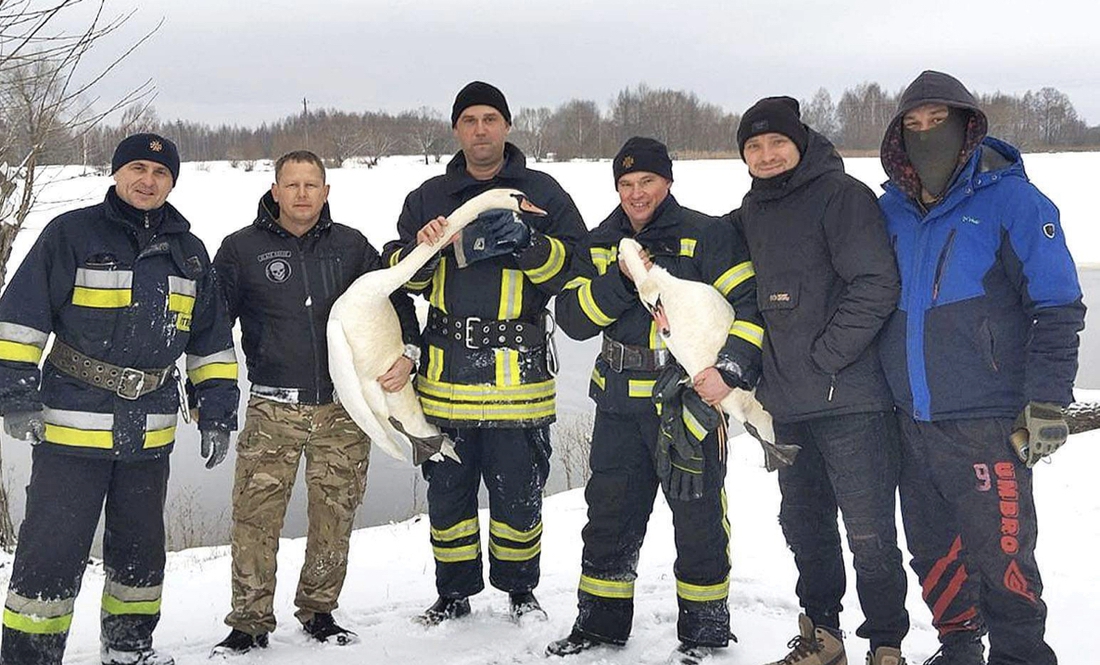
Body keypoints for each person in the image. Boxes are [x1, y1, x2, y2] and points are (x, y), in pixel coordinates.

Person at [0, 134, 239, 665]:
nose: (147, 180)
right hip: (70, 430)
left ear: (172, 181)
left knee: (140, 554)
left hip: (150, 433)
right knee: (51, 553)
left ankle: (130, 649)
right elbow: (20, 318)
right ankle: (30, 655)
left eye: (160, 172)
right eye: (137, 168)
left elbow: (211, 345)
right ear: (116, 173)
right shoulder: (72, 234)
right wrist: (15, 393)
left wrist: (218, 412)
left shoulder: (190, 253)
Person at [878, 70, 1084, 665]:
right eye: (912, 125)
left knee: (1003, 553)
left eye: (937, 122)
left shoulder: (1014, 201)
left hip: (987, 420)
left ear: (967, 126)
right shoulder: (891, 208)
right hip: (910, 418)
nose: (926, 134)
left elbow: (1059, 305)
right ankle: (960, 646)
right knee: (932, 547)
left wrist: (1047, 401)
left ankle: (1021, 655)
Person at [548, 137, 764, 665]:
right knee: (609, 515)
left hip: (688, 401)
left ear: (667, 182)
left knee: (698, 515)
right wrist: (623, 280)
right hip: (619, 404)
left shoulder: (706, 234)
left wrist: (729, 372)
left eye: (647, 181)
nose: (636, 193)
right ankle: (599, 625)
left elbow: (750, 307)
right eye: (626, 184)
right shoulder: (602, 241)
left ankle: (706, 632)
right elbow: (573, 320)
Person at [383, 81, 586, 625]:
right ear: (456, 129)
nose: (480, 129)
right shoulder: (429, 195)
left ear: (508, 126)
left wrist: (528, 243)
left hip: (519, 374)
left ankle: (520, 590)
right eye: (469, 120)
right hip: (447, 372)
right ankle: (453, 593)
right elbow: (399, 278)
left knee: (519, 495)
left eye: (490, 119)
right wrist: (423, 251)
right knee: (448, 496)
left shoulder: (543, 192)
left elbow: (577, 271)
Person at [209, 150, 420, 654]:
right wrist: (209, 388)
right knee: (256, 518)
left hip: (342, 410)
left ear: (326, 192)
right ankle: (249, 620)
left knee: (335, 513)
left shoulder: (351, 247)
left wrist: (408, 353)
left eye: (312, 185)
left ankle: (320, 610)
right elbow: (213, 322)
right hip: (272, 408)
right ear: (275, 191)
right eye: (292, 185)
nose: (302, 194)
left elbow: (395, 301)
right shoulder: (241, 249)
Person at [729, 98, 910, 665]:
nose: (766, 155)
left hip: (852, 402)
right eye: (753, 147)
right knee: (805, 528)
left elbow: (876, 284)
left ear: (800, 142)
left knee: (870, 534)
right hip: (786, 406)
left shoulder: (842, 196)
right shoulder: (751, 211)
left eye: (776, 143)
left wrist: (826, 356)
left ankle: (885, 645)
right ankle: (822, 636)